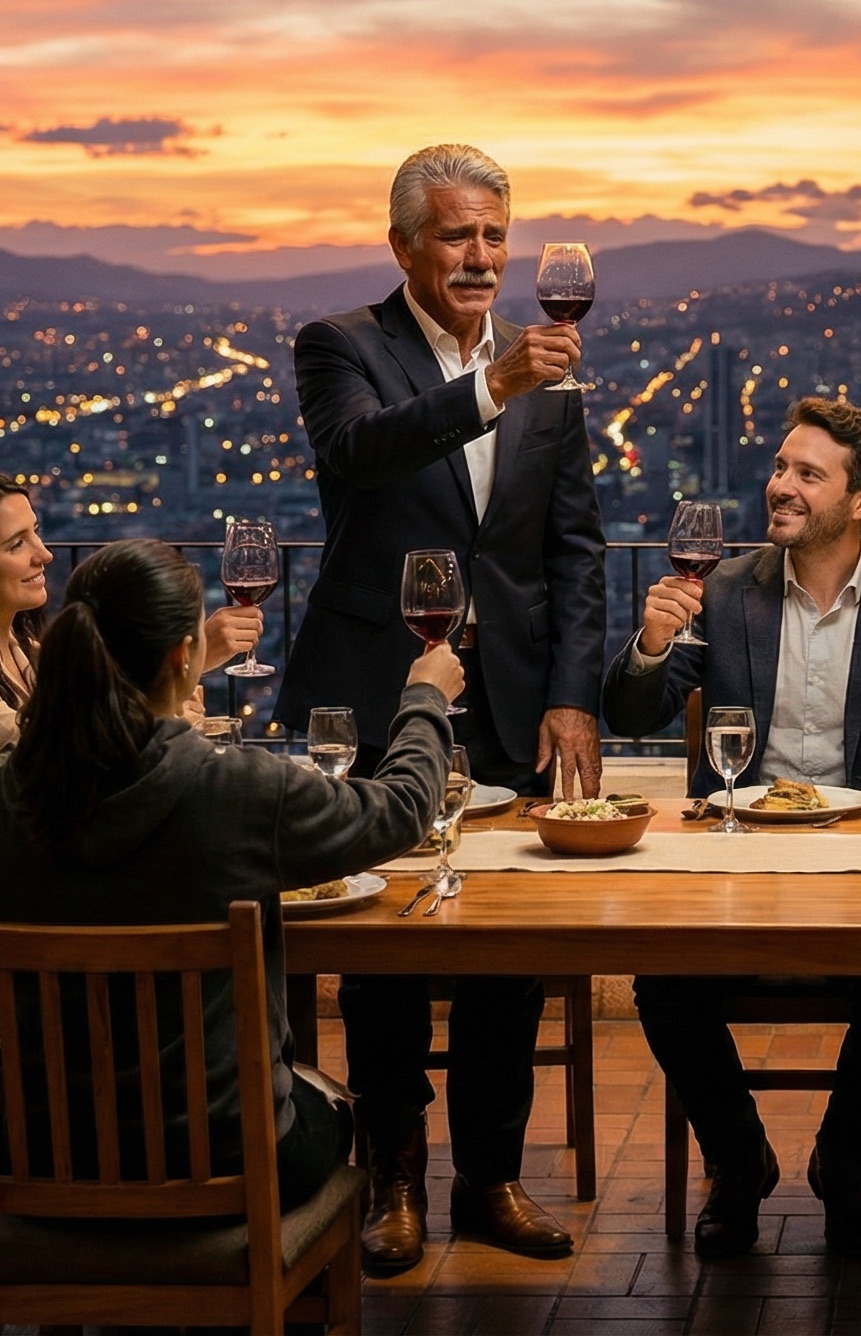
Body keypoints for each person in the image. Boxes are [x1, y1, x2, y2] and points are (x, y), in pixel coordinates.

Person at [275, 143, 605, 1270]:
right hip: (369, 700)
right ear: (405, 244)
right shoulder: (342, 347)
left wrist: (572, 693)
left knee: (505, 960)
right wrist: (491, 387)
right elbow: (357, 454)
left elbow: (573, 550)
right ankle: (393, 1182)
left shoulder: (543, 370)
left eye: (496, 237)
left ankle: (493, 1181)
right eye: (459, 235)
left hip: (510, 698)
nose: (482, 257)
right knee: (382, 965)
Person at [602, 398, 861, 1260]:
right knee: (664, 983)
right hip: (734, 861)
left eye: (807, 474)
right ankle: (739, 1163)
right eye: (780, 467)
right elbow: (634, 712)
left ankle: (843, 1164)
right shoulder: (723, 588)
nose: (780, 486)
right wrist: (656, 643)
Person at [0, 540, 459, 1212]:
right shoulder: (235, 789)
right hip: (225, 1155)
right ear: (184, 655)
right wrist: (424, 698)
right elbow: (399, 812)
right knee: (331, 1111)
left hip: (42, 1156)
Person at [0, 466, 262, 763]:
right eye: (17, 544)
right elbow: (64, 751)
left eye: (37, 533)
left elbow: (115, 713)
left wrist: (188, 663)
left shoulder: (26, 650)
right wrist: (181, 680)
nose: (44, 554)